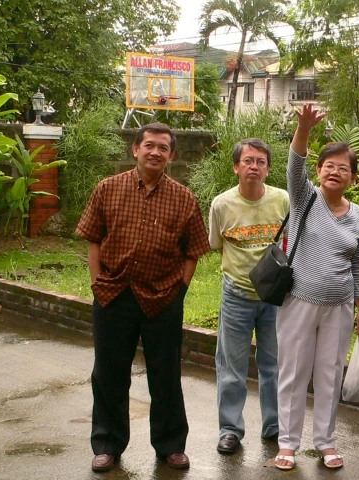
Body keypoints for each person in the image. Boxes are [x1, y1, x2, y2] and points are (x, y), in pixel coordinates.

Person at [76, 123, 210, 472]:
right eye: (149, 145)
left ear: (171, 155)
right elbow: (93, 238)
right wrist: (97, 283)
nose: (155, 152)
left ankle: (170, 446)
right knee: (109, 374)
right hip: (113, 294)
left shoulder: (184, 198)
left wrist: (179, 290)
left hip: (163, 298)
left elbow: (194, 249)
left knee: (165, 375)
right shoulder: (108, 189)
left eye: (163, 148)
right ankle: (107, 444)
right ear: (135, 149)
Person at [273, 104, 359, 471]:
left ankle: (326, 444)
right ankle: (287, 445)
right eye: (329, 166)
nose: (335, 171)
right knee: (294, 373)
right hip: (299, 299)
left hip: (340, 306)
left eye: (343, 168)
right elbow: (294, 164)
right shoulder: (305, 198)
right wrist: (303, 129)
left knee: (330, 374)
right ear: (320, 172)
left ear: (352, 177)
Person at [208, 138, 289, 454]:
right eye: (248, 161)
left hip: (275, 297)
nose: (254, 166)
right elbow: (217, 245)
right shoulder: (222, 205)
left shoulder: (282, 200)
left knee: (274, 365)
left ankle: (274, 426)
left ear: (268, 169)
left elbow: (292, 241)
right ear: (236, 167)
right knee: (231, 367)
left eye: (261, 161)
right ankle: (230, 430)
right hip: (237, 295)